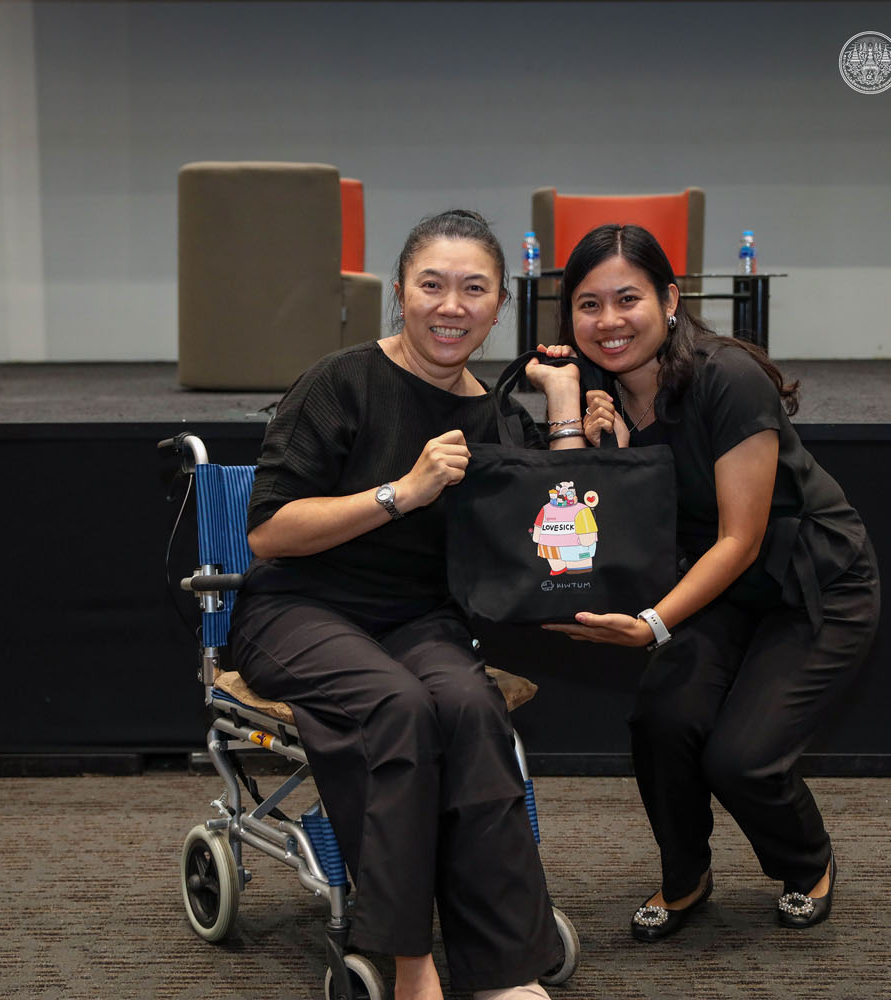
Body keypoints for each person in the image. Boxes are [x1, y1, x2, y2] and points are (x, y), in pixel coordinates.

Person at [230, 209, 581, 1000]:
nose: (451, 306)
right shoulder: (341, 382)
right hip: (298, 610)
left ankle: (502, 968)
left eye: (474, 289)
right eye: (432, 285)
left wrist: (562, 404)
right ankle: (408, 955)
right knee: (397, 706)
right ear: (399, 293)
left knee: (471, 708)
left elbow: (559, 525)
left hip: (419, 620)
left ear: (500, 306)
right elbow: (270, 532)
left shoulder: (496, 417)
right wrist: (403, 492)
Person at [542, 224, 880, 937]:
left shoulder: (727, 377)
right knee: (662, 722)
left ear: (669, 300)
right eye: (588, 304)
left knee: (742, 760)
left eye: (627, 299)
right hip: (714, 581)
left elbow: (741, 538)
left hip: (811, 581)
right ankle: (686, 878)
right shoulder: (598, 384)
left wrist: (653, 625)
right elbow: (586, 513)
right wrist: (581, 419)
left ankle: (806, 861)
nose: (608, 321)